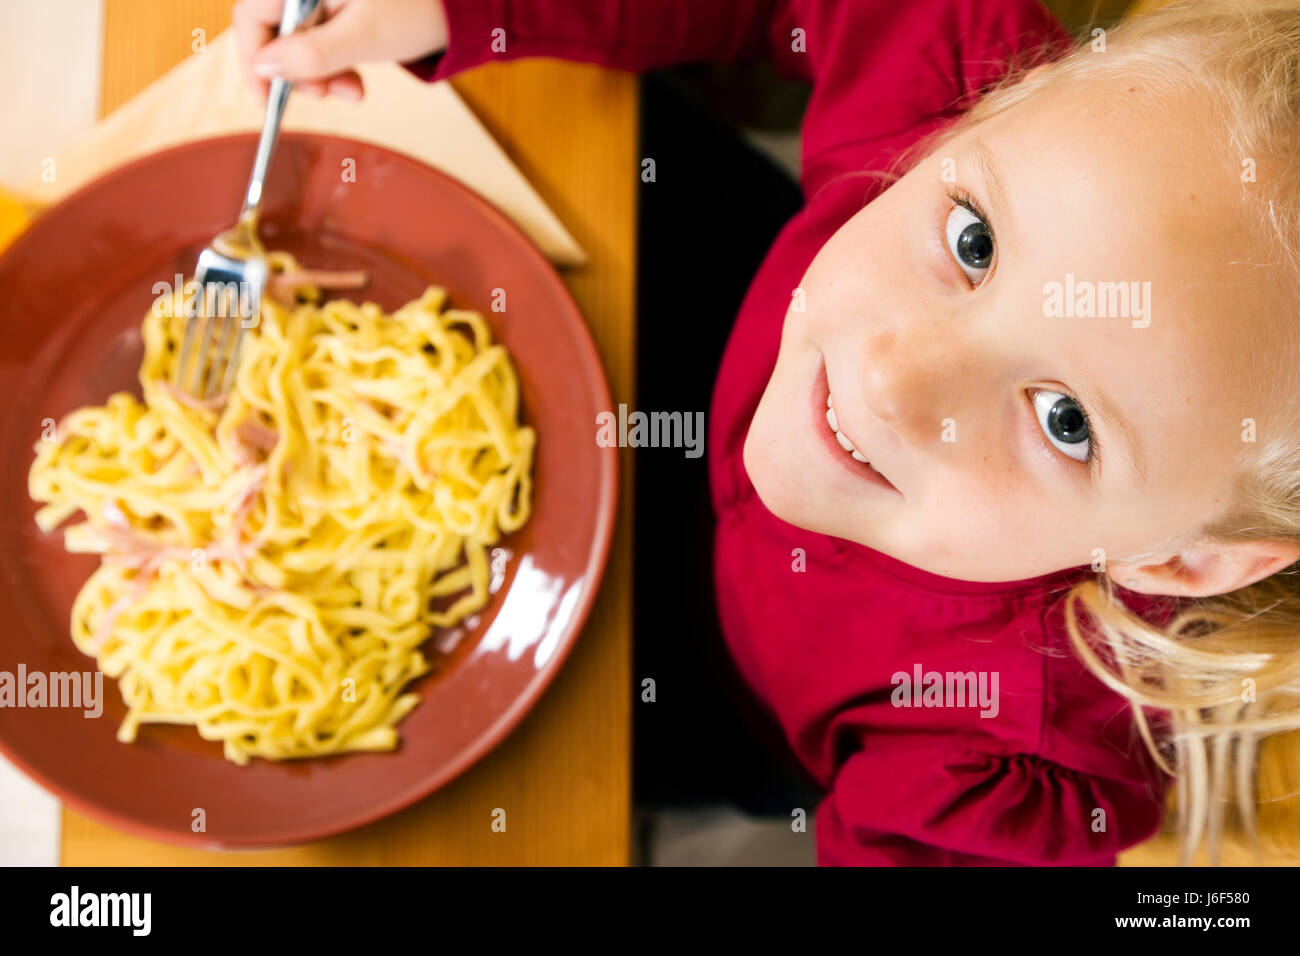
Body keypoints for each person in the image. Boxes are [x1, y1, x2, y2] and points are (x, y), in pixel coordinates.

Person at [235, 0, 1300, 865]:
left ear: (1181, 555)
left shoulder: (996, 759)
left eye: (1065, 421)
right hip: (700, 294)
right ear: (980, 113)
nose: (890, 376)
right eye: (971, 241)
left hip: (694, 680)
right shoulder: (977, 78)